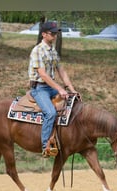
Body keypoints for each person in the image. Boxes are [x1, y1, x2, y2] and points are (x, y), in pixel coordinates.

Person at [28, 21, 77, 158]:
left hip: (51, 87)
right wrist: (60, 89)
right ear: (44, 34)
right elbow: (43, 74)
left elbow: (61, 70)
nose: (55, 36)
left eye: (56, 33)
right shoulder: (37, 50)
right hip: (39, 88)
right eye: (52, 33)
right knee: (50, 113)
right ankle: (45, 146)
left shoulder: (52, 51)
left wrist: (71, 89)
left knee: (72, 103)